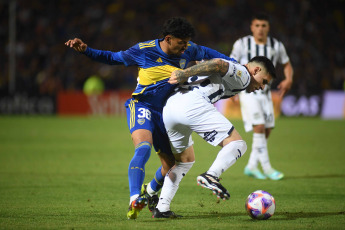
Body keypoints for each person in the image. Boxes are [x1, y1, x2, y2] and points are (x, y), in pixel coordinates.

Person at [65, 17, 232, 219]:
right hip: (142, 105)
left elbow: (213, 55)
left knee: (170, 164)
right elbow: (112, 58)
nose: (185, 47)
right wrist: (86, 50)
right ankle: (134, 197)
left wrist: (239, 67)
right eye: (182, 43)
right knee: (143, 146)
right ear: (168, 39)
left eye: (187, 43)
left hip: (167, 112)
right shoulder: (143, 50)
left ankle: (149, 192)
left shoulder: (189, 49)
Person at [151, 56, 276, 218]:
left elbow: (200, 61)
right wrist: (184, 73)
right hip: (193, 104)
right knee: (238, 144)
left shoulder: (237, 76)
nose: (262, 87)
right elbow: (219, 64)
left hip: (171, 107)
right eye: (264, 81)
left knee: (184, 161)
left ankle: (162, 208)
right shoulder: (244, 75)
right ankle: (211, 175)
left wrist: (190, 70)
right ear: (256, 70)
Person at [230, 13, 294, 180]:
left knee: (266, 130)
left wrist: (289, 79)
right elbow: (232, 63)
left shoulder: (276, 45)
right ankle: (267, 168)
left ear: (268, 27)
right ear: (252, 27)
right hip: (248, 91)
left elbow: (287, 64)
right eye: (257, 25)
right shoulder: (242, 43)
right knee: (259, 126)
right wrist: (232, 88)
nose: (260, 29)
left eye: (263, 25)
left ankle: (251, 166)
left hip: (266, 93)